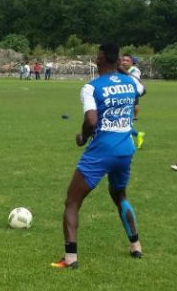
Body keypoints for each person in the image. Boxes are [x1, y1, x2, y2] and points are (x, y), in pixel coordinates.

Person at [51, 43, 145, 269]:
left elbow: (92, 120)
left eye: (98, 54)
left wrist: (83, 138)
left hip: (102, 150)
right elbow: (143, 89)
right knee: (120, 196)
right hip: (126, 148)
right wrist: (120, 70)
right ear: (118, 60)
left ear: (101, 58)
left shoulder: (91, 88)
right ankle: (136, 246)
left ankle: (71, 258)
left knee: (72, 201)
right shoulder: (130, 81)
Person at [121, 54, 145, 149]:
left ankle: (135, 137)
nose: (124, 62)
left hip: (130, 96)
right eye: (123, 60)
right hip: (121, 96)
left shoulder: (135, 70)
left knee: (122, 122)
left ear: (132, 63)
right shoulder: (120, 70)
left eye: (127, 61)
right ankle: (138, 134)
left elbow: (132, 81)